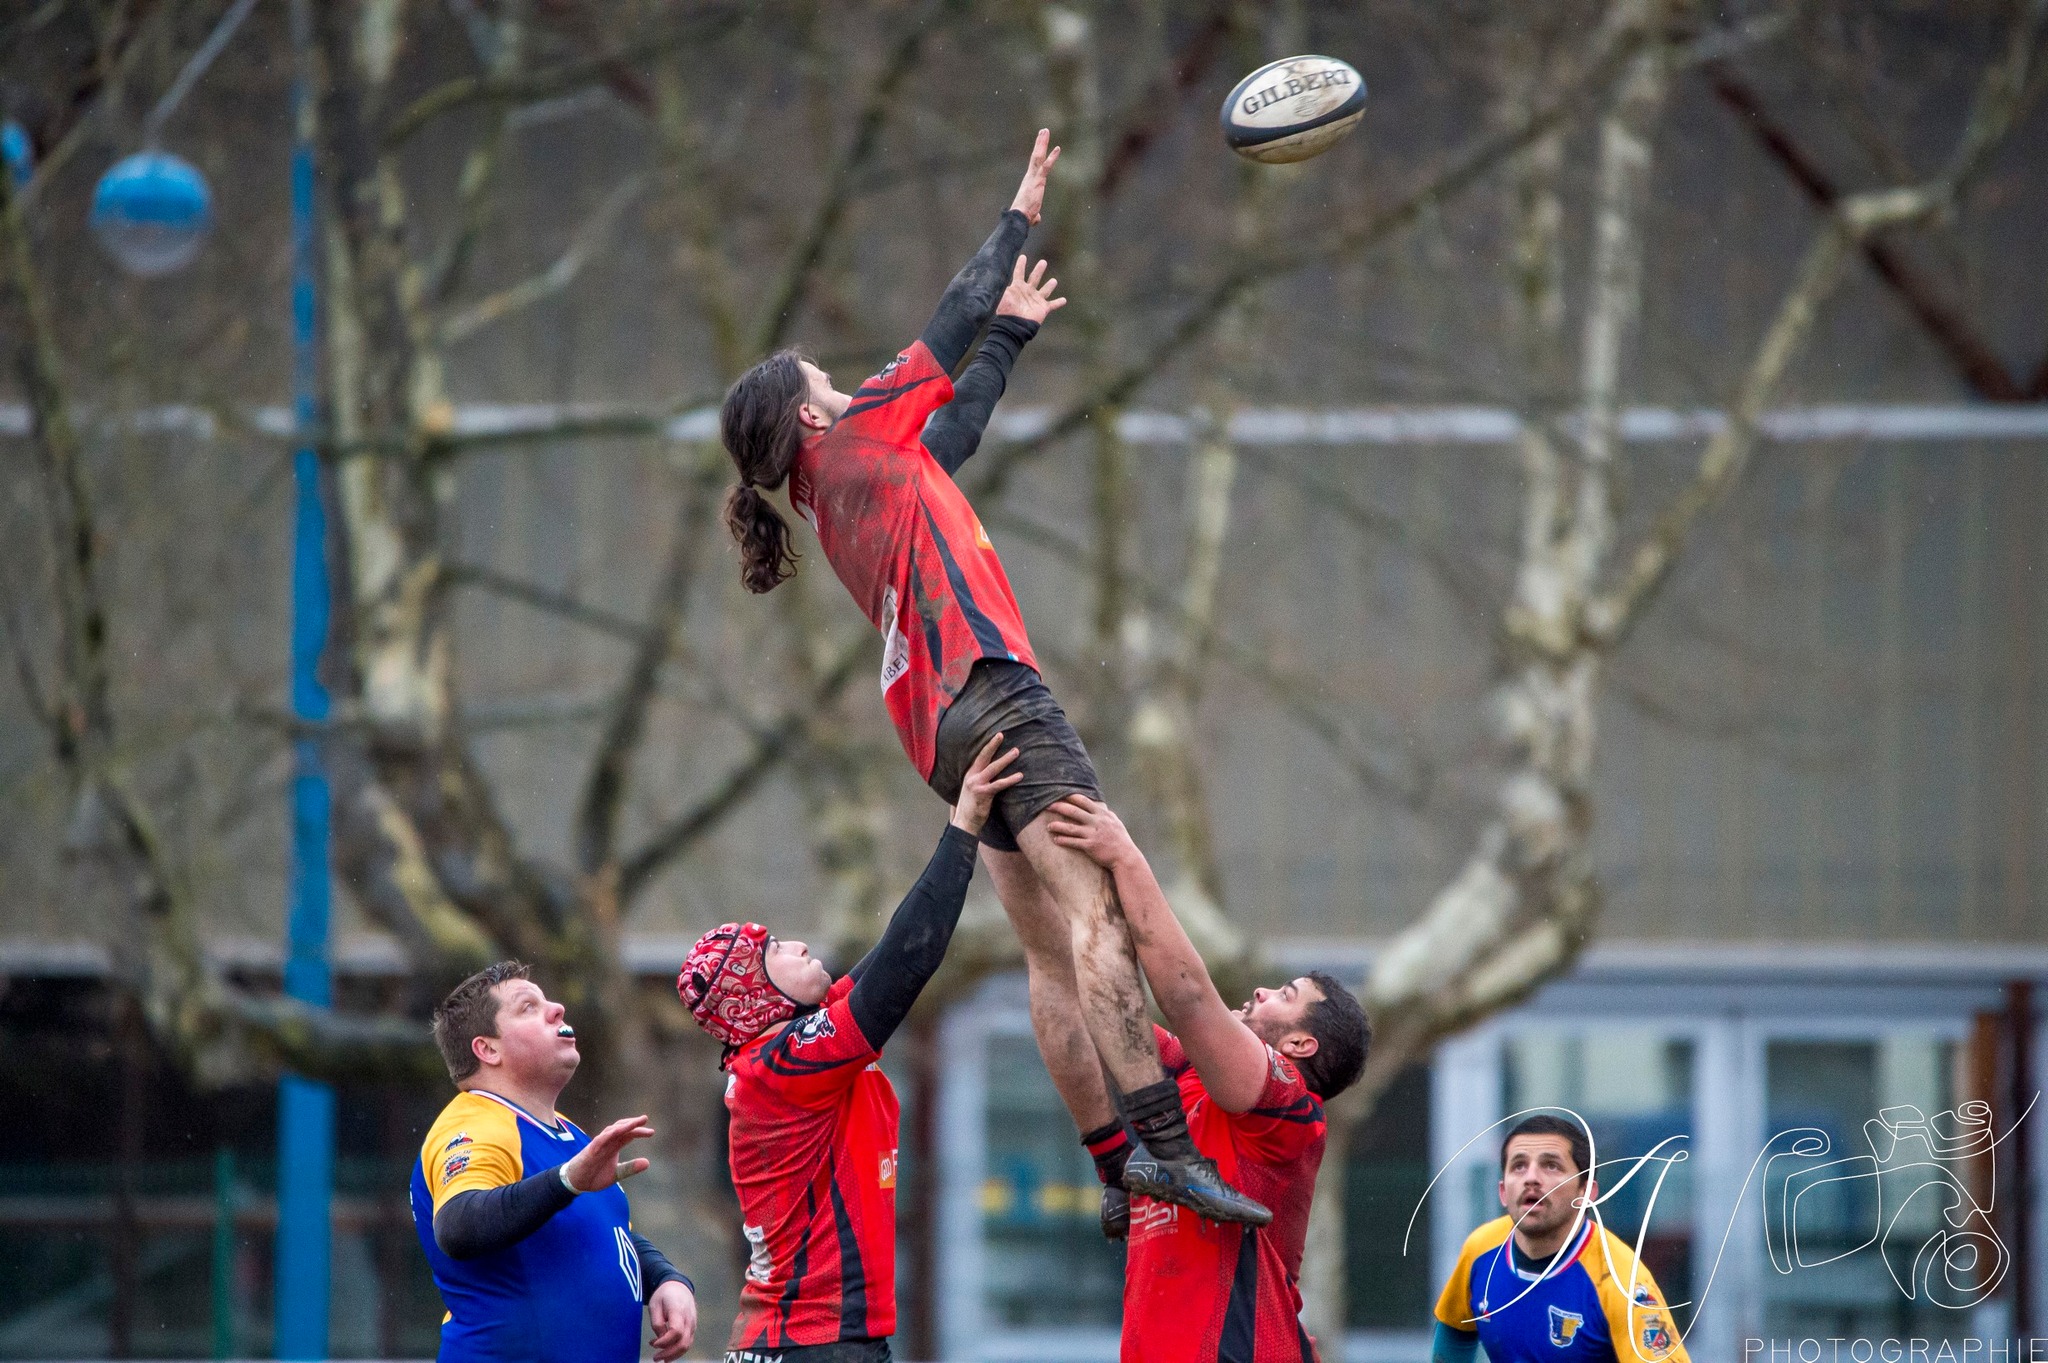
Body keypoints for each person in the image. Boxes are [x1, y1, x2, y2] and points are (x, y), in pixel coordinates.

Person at [716, 127, 1264, 1229]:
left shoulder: (843, 489)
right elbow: (949, 316)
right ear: (812, 415)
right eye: (826, 377)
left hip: (938, 733)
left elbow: (953, 428)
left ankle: (1110, 1164)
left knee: (1049, 955)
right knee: (1099, 910)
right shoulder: (856, 439)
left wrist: (1010, 336)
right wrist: (1017, 212)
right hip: (996, 687)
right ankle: (1162, 1147)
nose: (843, 375)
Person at [678, 735, 1017, 1363]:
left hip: (816, 1342)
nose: (798, 945)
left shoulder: (786, 1050)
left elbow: (894, 950)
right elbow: (907, 962)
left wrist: (971, 831)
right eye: (774, 950)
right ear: (753, 995)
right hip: (813, 1345)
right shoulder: (780, 1065)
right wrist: (963, 823)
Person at [1045, 794, 1372, 1363]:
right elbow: (1088, 1009)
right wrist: (1019, 854)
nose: (1263, 991)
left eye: (1285, 995)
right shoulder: (1193, 1080)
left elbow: (1189, 995)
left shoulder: (1291, 1112)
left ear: (1299, 1046)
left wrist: (1127, 859)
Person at [411, 963, 698, 1363]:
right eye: (528, 1007)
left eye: (548, 999)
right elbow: (459, 1227)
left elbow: (604, 1235)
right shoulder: (476, 1123)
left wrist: (665, 1279)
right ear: (487, 1049)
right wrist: (567, 1180)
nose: (558, 1009)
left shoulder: (567, 1133)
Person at [1430, 1115, 1688, 1363]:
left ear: (1587, 1192)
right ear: (1502, 1192)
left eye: (1551, 1165)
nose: (1531, 1178)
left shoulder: (1622, 1282)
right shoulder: (1481, 1249)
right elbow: (1454, 1332)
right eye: (1519, 1166)